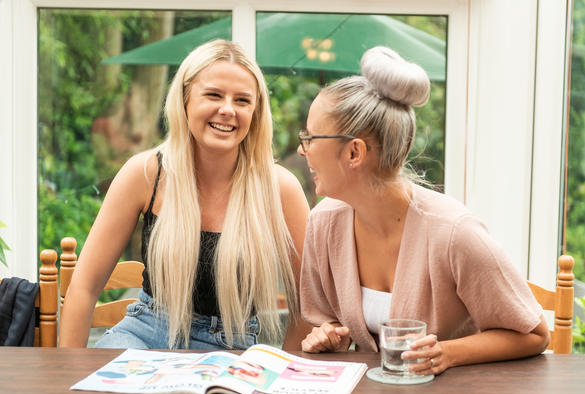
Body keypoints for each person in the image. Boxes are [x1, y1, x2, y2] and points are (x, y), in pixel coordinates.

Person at [298, 46, 549, 375]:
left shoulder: (455, 233)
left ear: (354, 153)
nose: (303, 151)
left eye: (310, 138)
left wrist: (447, 353)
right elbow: (324, 320)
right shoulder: (323, 223)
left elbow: (534, 334)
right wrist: (331, 336)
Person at [59, 39, 310, 350]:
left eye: (243, 100)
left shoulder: (280, 189)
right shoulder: (146, 173)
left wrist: (284, 375)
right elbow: (83, 289)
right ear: (185, 99)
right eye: (214, 95)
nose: (228, 110)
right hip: (143, 334)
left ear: (256, 112)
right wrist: (67, 377)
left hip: (231, 347)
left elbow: (308, 308)